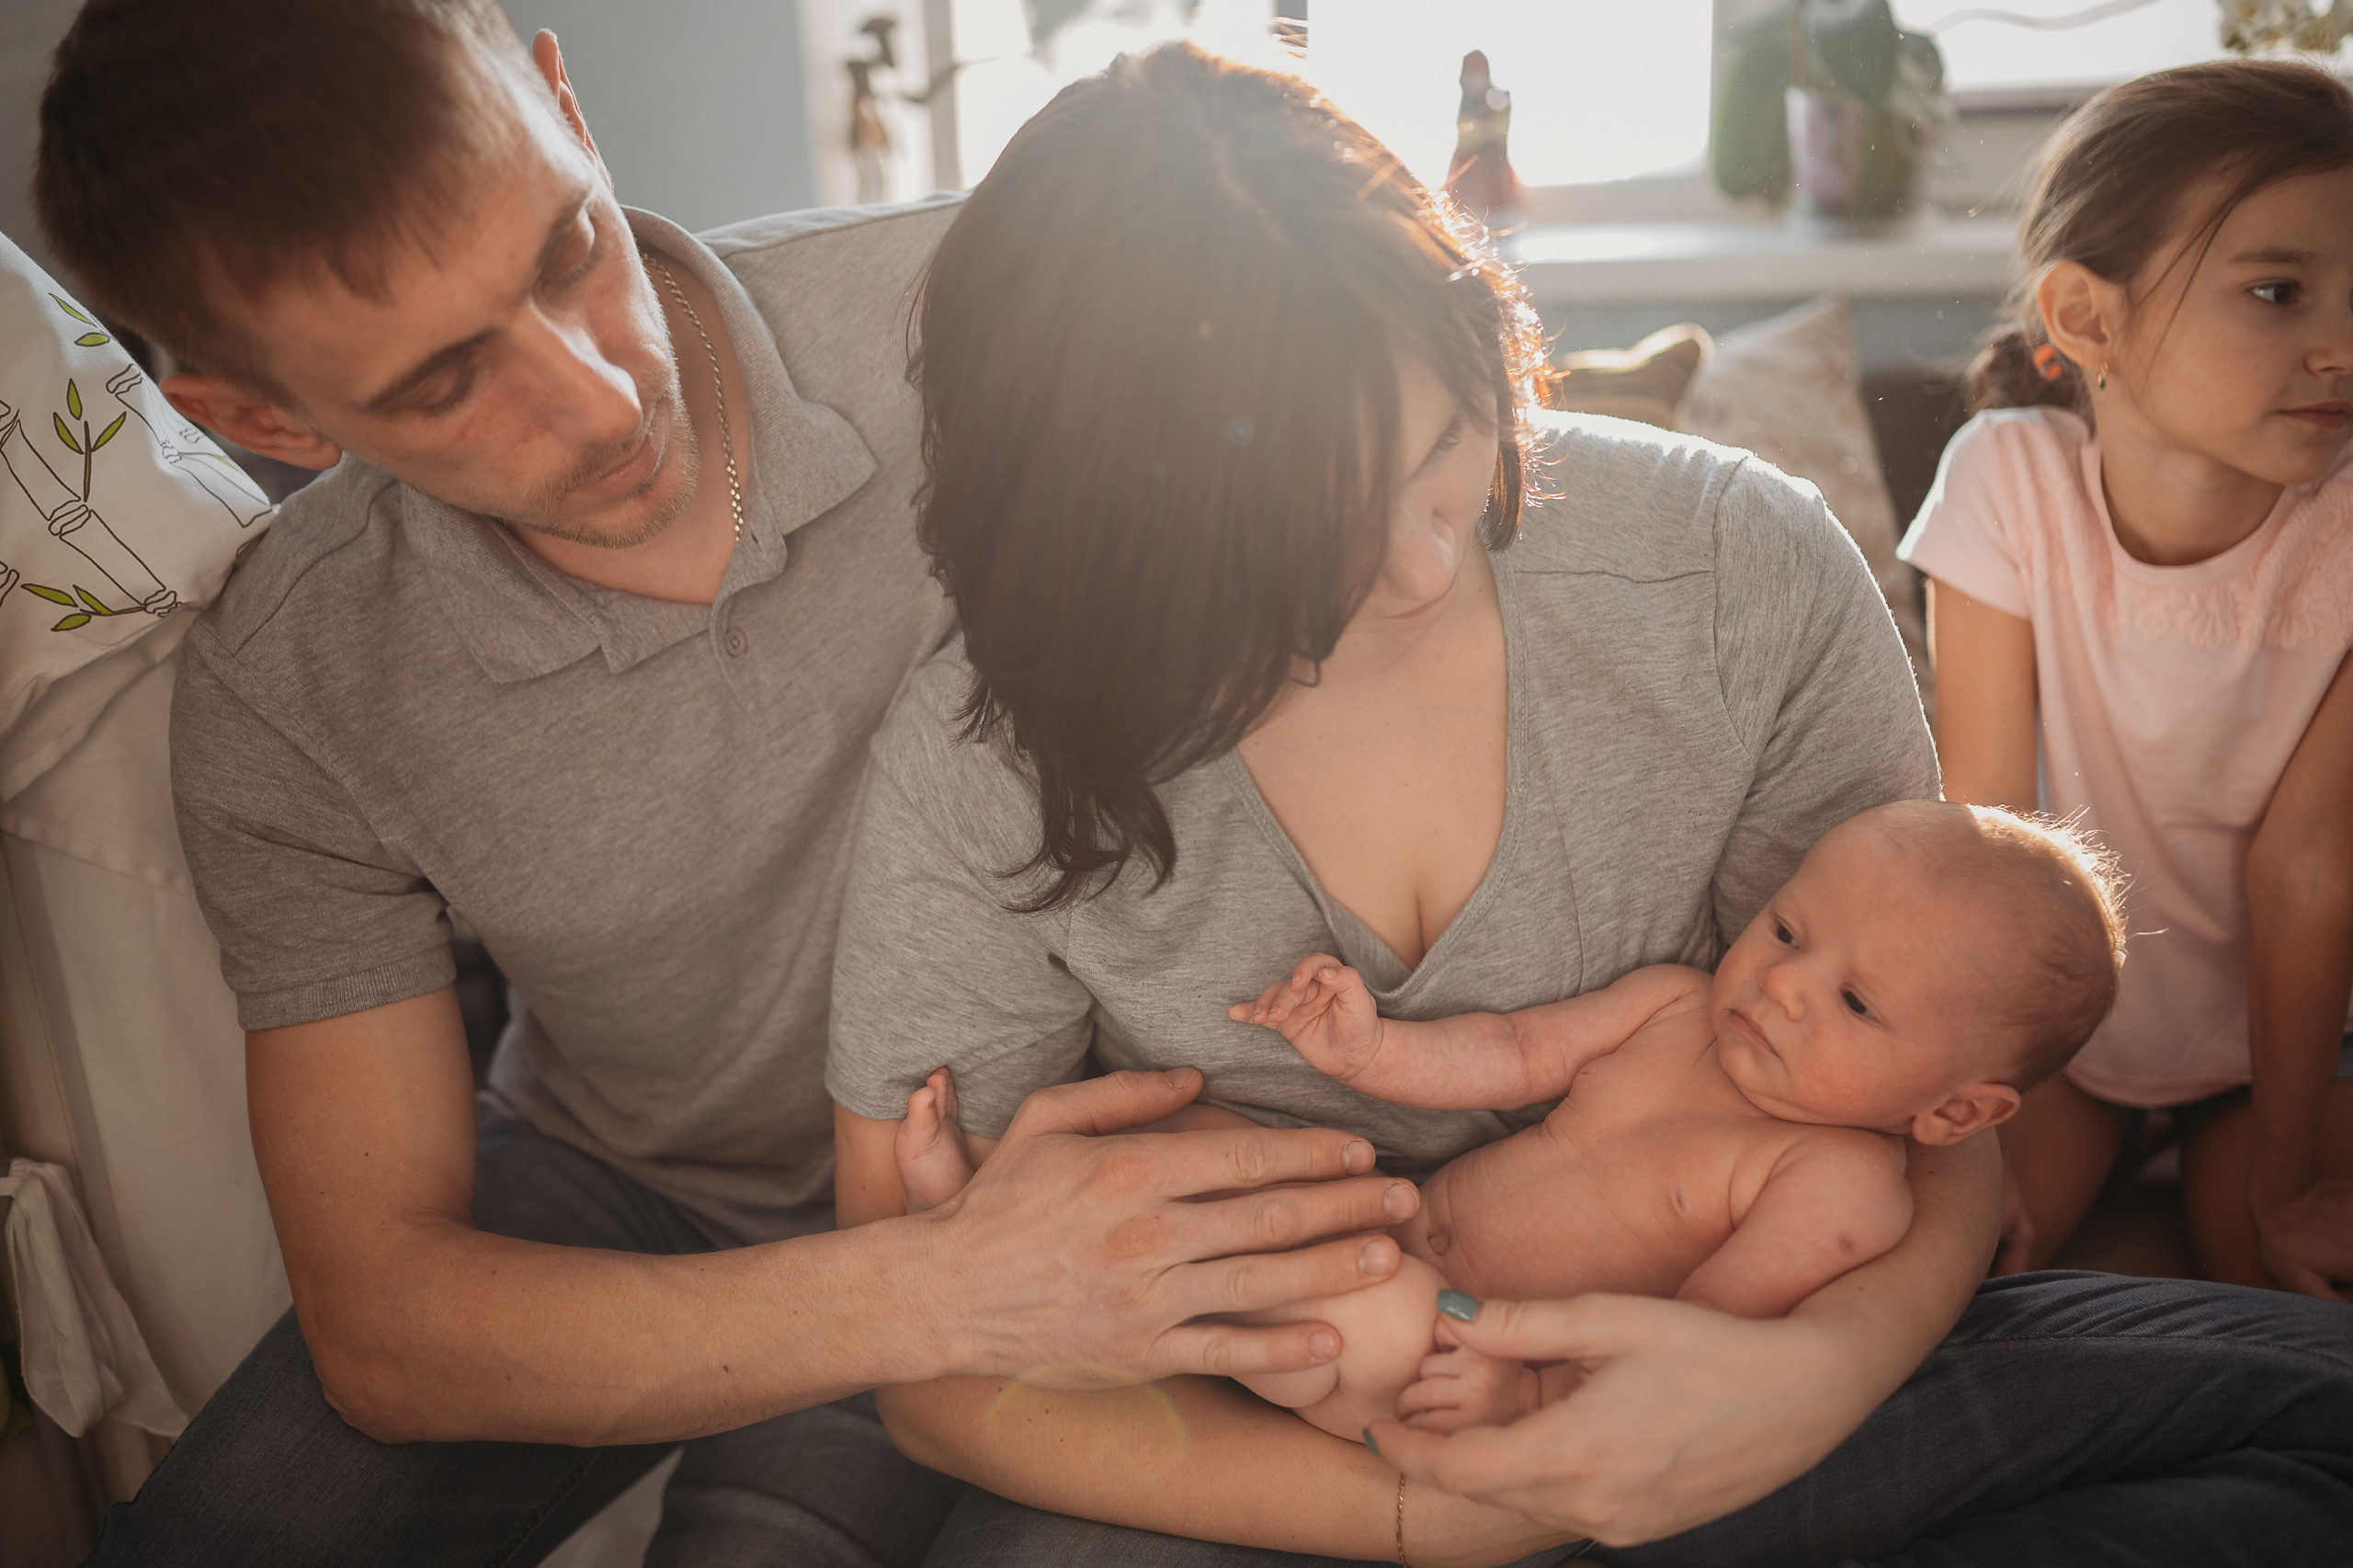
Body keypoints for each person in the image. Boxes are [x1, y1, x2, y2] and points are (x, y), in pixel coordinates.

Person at [825, 43, 2353, 1566]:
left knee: (2315, 1421)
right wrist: (1435, 1512)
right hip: (1295, 1459)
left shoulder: (1736, 573)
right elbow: (936, 1356)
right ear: (1113, 551)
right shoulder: (993, 755)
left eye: (1440, 456)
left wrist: (1800, 1379)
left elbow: (1928, 1095)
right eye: (1310, 554)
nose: (1429, 573)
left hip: (1754, 1378)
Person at [35, 4, 1426, 1562]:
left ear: (562, 99)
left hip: (1127, 1131)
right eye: (443, 384)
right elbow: (386, 1325)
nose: (599, 399)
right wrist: (941, 1288)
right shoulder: (287, 680)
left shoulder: (1009, 302)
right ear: (261, 420)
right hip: (655, 1193)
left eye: (567, 251)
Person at [894, 801, 2128, 1442]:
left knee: (1340, 1292)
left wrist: (1523, 1401)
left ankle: (1035, 1312)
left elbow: (1689, 1351)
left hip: (1445, 1354)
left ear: (1958, 1107)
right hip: (1393, 1216)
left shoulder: (1840, 1183)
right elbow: (1514, 1050)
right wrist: (1369, 1046)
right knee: (1241, 1149)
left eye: (1856, 1000)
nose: (1785, 983)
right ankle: (1008, 1207)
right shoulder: (1674, 1006)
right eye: (1792, 928)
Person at [1903, 58, 2353, 1294]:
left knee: (2269, 1284)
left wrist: (2281, 1181)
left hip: (2288, 1042)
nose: (2341, 346)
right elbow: (1984, 835)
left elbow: (2309, 864)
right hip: (2075, 1034)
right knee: (1939, 1271)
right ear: (2087, 318)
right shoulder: (2006, 481)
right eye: (2279, 290)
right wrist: (1967, 1126)